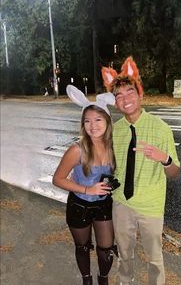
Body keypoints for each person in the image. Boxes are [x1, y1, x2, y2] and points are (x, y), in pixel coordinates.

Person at [101, 56, 180, 285]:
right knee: (124, 254)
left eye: (129, 92)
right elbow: (109, 163)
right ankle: (126, 281)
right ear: (115, 102)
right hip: (122, 204)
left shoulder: (161, 128)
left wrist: (163, 158)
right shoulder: (114, 130)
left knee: (155, 259)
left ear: (140, 94)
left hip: (151, 207)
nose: (125, 99)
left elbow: (174, 172)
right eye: (119, 96)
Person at [53, 85, 118, 285]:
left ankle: (103, 278)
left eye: (98, 119)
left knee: (106, 247)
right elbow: (58, 179)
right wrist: (88, 189)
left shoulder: (113, 145)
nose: (93, 125)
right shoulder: (77, 149)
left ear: (107, 121)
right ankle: (86, 279)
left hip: (103, 205)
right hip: (79, 206)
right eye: (87, 121)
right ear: (82, 124)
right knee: (82, 246)